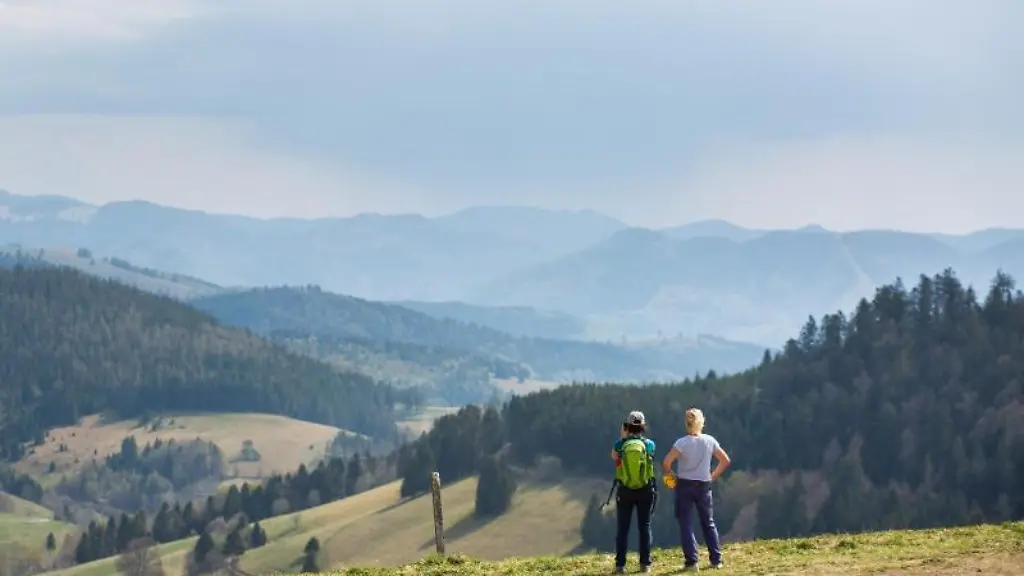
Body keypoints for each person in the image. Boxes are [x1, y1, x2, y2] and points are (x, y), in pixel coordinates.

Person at [662, 407, 731, 572]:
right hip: (704, 484)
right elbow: (725, 460)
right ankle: (716, 559)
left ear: (686, 424)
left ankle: (692, 561)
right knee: (708, 522)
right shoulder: (709, 440)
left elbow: (666, 463)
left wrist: (672, 478)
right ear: (702, 422)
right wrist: (712, 476)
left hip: (684, 484)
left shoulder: (681, 442)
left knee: (686, 523)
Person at [610, 410, 657, 574]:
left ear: (627, 426)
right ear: (643, 427)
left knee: (623, 527)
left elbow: (614, 457)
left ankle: (620, 565)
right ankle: (645, 564)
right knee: (644, 526)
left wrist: (623, 437)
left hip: (625, 489)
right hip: (645, 489)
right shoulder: (649, 444)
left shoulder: (620, 444)